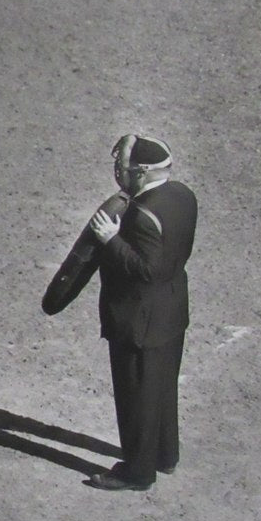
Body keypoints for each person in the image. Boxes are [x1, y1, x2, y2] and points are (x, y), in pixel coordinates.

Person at [85, 134, 198, 491]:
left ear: (143, 172)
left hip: (138, 320)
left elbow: (148, 270)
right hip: (171, 312)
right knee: (162, 390)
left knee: (136, 398)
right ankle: (165, 455)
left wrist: (111, 240)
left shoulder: (140, 215)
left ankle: (137, 472)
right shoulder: (184, 195)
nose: (120, 171)